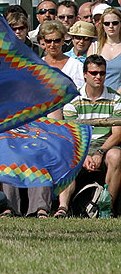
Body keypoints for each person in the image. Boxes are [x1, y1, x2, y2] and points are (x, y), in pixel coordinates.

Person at [54, 54, 121, 217]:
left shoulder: (116, 98)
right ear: (85, 74)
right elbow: (73, 135)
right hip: (80, 145)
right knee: (67, 156)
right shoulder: (73, 100)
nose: (98, 77)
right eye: (94, 73)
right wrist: (84, 156)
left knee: (116, 156)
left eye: (102, 73)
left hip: (106, 145)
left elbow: (117, 134)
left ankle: (107, 207)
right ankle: (63, 207)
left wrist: (100, 152)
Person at [38, 20, 84, 89]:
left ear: (63, 40)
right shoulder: (38, 65)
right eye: (48, 41)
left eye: (56, 41)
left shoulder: (75, 65)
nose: (52, 45)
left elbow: (80, 90)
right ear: (44, 41)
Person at [89, 7, 121, 92]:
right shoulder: (94, 48)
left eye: (115, 23)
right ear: (102, 25)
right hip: (98, 98)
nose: (111, 26)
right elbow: (88, 75)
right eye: (107, 23)